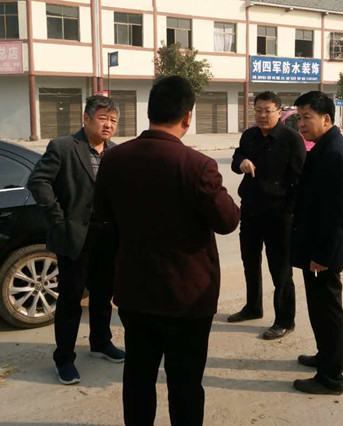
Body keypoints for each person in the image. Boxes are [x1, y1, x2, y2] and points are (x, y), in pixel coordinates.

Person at [93, 76, 240, 426]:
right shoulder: (198, 165)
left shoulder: (115, 159)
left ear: (149, 112)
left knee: (138, 377)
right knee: (185, 383)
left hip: (135, 292)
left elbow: (103, 214)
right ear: (187, 117)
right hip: (187, 296)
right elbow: (227, 221)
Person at [26, 95, 125, 386]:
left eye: (113, 121)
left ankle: (101, 342)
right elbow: (38, 181)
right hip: (75, 235)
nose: (108, 125)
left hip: (108, 235)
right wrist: (58, 219)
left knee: (103, 293)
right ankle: (64, 358)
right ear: (86, 118)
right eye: (103, 118)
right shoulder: (63, 147)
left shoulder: (115, 153)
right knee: (70, 298)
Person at [290, 91, 343, 395]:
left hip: (326, 250)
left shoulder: (334, 153)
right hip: (319, 245)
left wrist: (322, 256)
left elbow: (336, 213)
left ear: (326, 118)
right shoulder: (325, 145)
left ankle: (331, 377)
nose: (301, 123)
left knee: (327, 309)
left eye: (307, 117)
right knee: (319, 306)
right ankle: (325, 356)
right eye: (299, 117)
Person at [228, 91, 306, 341]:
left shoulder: (291, 139)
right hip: (251, 210)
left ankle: (285, 319)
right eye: (258, 110)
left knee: (280, 270)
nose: (262, 115)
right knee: (250, 262)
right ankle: (253, 307)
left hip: (278, 215)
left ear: (279, 112)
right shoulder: (249, 136)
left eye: (267, 110)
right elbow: (236, 158)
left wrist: (289, 212)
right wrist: (241, 162)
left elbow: (299, 180)